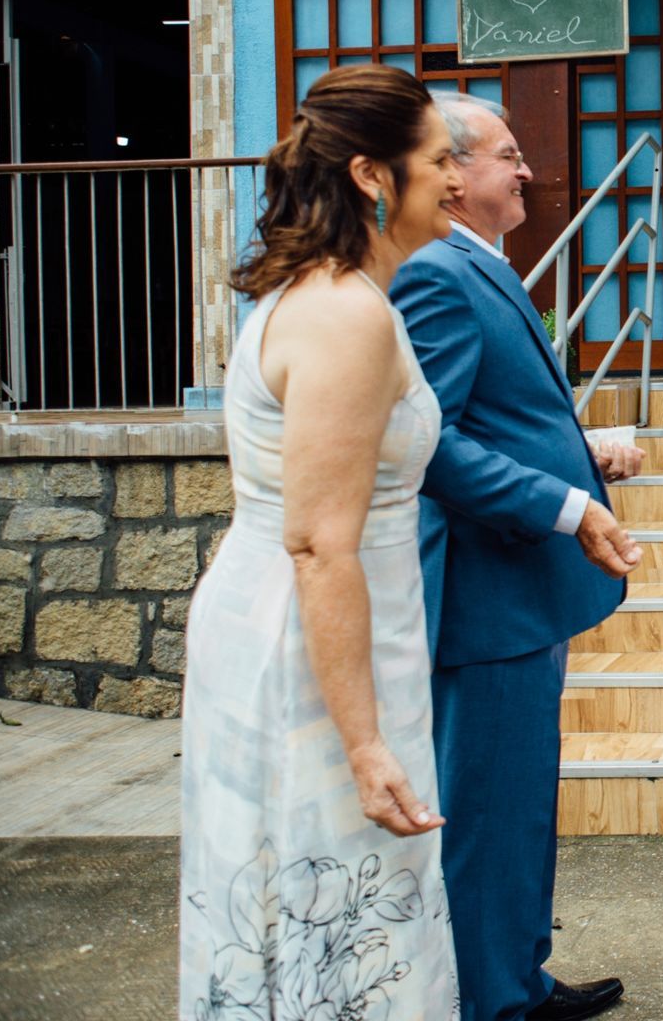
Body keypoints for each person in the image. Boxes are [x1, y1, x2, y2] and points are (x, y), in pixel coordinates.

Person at [180, 65, 463, 1019]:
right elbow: (318, 544)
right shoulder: (344, 314)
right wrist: (364, 741)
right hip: (312, 639)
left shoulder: (336, 296)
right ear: (373, 176)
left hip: (324, 615)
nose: (457, 179)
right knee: (336, 897)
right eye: (439, 160)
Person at [390, 91, 643, 1021]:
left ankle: (518, 975)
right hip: (488, 595)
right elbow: (433, 442)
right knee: (491, 811)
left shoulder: (481, 265)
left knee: (521, 799)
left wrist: (584, 449)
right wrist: (568, 503)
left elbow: (502, 413)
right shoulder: (435, 275)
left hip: (521, 593)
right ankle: (492, 1002)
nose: (527, 170)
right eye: (507, 154)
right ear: (452, 176)